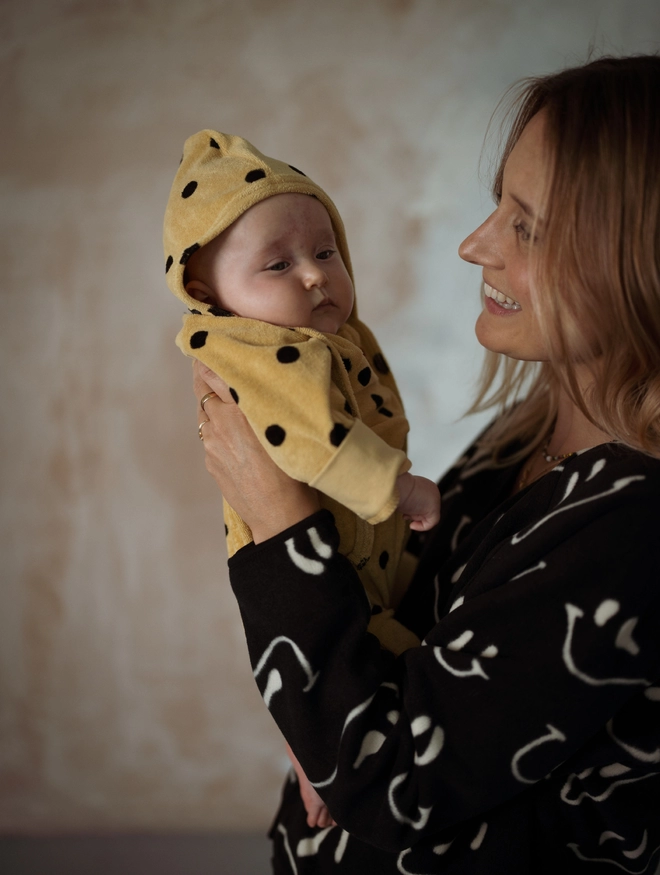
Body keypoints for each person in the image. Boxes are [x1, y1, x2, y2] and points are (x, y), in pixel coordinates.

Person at [190, 55, 660, 872]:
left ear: (639, 261)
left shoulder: (639, 523)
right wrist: (322, 725)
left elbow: (395, 776)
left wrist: (277, 521)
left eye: (528, 227)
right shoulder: (530, 429)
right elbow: (391, 663)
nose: (475, 246)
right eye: (496, 207)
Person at [163, 132, 439, 827]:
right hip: (314, 561)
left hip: (354, 554)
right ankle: (338, 772)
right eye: (278, 263)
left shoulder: (321, 337)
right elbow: (314, 440)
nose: (315, 275)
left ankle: (319, 757)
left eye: (325, 252)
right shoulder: (261, 351)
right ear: (205, 290)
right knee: (391, 672)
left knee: (322, 667)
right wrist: (399, 488)